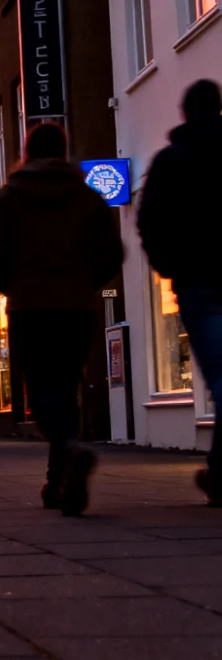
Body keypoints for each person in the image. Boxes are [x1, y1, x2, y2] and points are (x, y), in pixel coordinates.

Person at [0, 122, 125, 517]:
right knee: (66, 387)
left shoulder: (9, 198)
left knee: (42, 390)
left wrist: (13, 286)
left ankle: (68, 455)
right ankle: (60, 477)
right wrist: (85, 283)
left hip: (29, 306)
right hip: (77, 306)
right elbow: (112, 252)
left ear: (27, 152)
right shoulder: (87, 198)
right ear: (64, 151)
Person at [138, 79, 222, 505]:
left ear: (185, 113)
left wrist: (169, 266)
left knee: (221, 374)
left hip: (196, 283)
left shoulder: (170, 161)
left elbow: (148, 222)